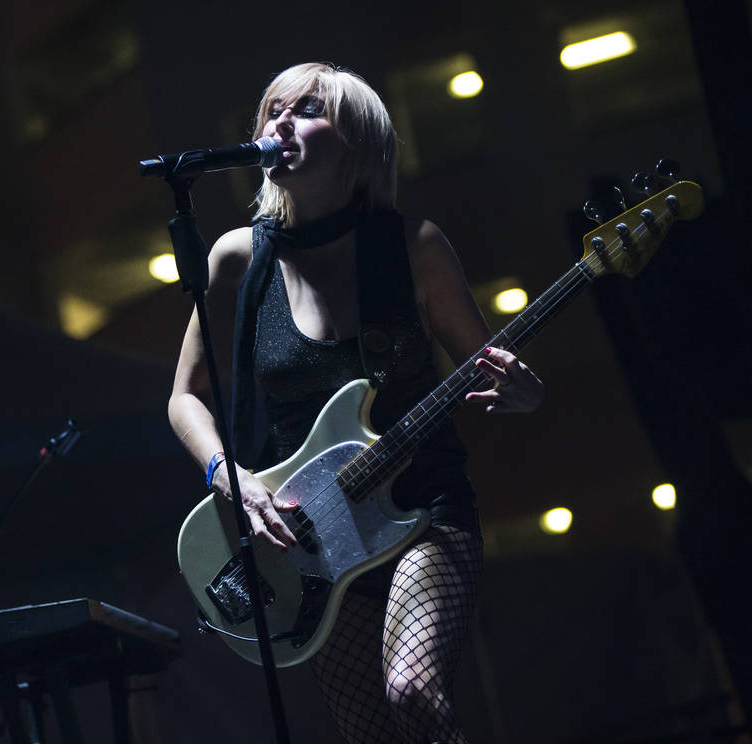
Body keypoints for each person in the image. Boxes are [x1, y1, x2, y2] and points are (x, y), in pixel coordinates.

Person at [167, 62, 544, 744]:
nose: (281, 121)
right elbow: (185, 399)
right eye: (272, 109)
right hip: (312, 538)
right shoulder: (234, 261)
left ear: (359, 143)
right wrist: (234, 482)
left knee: (413, 693)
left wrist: (522, 390)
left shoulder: (413, 249)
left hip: (422, 513)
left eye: (308, 109)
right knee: (370, 735)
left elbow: (489, 371)